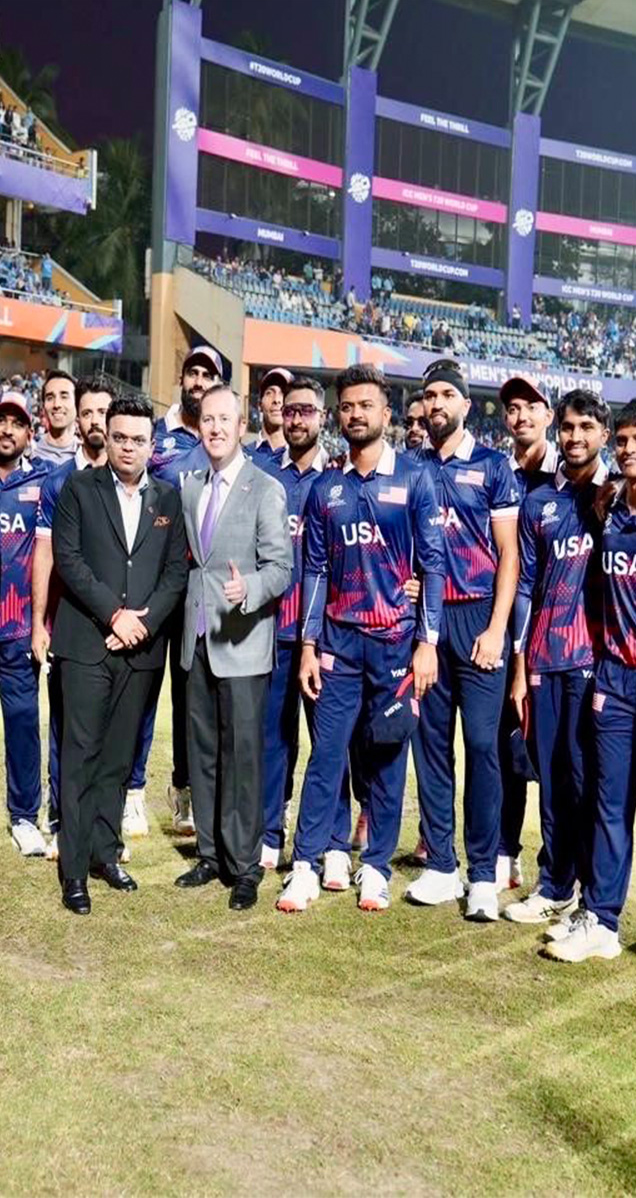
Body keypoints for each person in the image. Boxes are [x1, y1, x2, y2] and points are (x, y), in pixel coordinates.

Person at [277, 363, 444, 915]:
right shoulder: (327, 487)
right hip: (339, 646)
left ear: (386, 414)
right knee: (326, 755)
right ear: (338, 414)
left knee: (387, 756)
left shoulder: (415, 478)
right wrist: (307, 644)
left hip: (397, 643)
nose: (355, 414)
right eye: (346, 406)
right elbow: (315, 571)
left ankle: (375, 869)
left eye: (365, 405)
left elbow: (435, 564)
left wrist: (428, 641)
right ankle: (304, 866)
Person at [542, 399, 636, 964]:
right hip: (615, 677)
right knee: (609, 801)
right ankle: (600, 917)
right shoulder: (606, 506)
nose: (627, 449)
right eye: (621, 440)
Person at [49, 394, 188, 914]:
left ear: (153, 445)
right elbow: (70, 560)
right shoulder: (78, 489)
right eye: (120, 437)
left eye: (138, 439)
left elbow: (176, 572)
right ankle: (74, 870)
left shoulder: (168, 500)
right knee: (80, 755)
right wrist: (115, 615)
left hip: (142, 650)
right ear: (105, 437)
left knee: (118, 758)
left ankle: (105, 854)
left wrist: (143, 623)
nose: (128, 447)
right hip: (87, 642)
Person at [409, 359, 521, 921]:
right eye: (429, 396)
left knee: (481, 745)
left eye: (447, 394)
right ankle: (441, 866)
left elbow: (510, 555)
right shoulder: (412, 467)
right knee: (429, 746)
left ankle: (482, 874)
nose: (436, 404)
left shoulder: (494, 466)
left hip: (478, 618)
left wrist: (498, 627)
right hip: (426, 623)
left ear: (466, 405)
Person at [175, 384, 290, 910]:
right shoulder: (190, 484)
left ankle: (244, 866)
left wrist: (251, 592)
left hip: (242, 641)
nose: (216, 427)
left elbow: (281, 568)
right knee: (202, 751)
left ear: (241, 426)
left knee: (242, 756)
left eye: (225, 419)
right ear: (198, 426)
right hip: (196, 640)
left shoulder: (265, 488)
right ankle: (210, 854)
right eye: (208, 419)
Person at [503, 389, 608, 927]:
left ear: (602, 435)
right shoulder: (538, 501)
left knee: (587, 779)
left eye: (586, 427)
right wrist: (520, 667)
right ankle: (555, 884)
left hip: (594, 663)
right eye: (567, 427)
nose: (574, 437)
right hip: (544, 658)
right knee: (551, 776)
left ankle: (594, 894)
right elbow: (525, 586)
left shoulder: (616, 499)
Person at [131, 344, 219, 837]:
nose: (199, 380)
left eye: (209, 374)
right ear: (182, 380)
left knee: (192, 696)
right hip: (152, 585)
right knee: (143, 690)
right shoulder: (157, 438)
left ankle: (184, 790)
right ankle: (131, 791)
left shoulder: (221, 443)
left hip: (199, 593)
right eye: (193, 372)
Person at [32, 374, 114, 857]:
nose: (95, 421)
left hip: (119, 625)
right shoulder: (58, 480)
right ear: (77, 420)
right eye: (87, 413)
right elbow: (43, 554)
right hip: (69, 623)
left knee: (111, 726)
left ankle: (104, 819)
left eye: (103, 412)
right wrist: (40, 621)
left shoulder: (133, 477)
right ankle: (62, 816)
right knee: (65, 725)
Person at [258, 375, 338, 871]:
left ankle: (331, 842)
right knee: (273, 739)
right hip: (271, 632)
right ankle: (270, 833)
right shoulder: (264, 476)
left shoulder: (342, 478)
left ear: (322, 418)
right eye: (289, 411)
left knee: (330, 744)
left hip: (326, 635)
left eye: (306, 411)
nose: (296, 419)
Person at [494, 377, 558, 892]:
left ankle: (557, 867)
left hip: (562, 639)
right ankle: (504, 849)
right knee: (506, 743)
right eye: (512, 409)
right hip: (510, 628)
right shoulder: (502, 475)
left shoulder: (574, 475)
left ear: (548, 415)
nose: (520, 417)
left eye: (530, 408)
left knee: (560, 758)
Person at [0, 391, 50, 857]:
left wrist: (42, 623)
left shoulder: (43, 482)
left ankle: (25, 816)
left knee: (24, 724)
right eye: (0, 420)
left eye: (17, 423)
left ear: (29, 433)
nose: (8, 429)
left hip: (18, 626)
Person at [33, 368, 78, 467]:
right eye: (50, 398)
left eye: (64, 397)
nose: (57, 404)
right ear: (43, 406)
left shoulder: (86, 455)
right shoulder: (31, 453)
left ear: (77, 404)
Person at [250, 367, 292, 461]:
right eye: (269, 393)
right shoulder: (242, 457)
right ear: (259, 405)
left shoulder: (304, 463)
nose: (276, 400)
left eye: (283, 393)